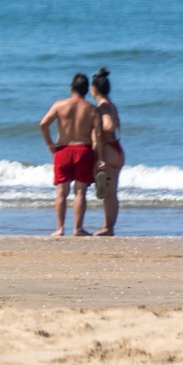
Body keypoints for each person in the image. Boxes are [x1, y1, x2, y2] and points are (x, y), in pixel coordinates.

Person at [38, 72, 99, 237]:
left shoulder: (59, 105)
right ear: (86, 90)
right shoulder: (92, 109)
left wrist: (50, 145)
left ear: (71, 88)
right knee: (80, 192)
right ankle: (78, 229)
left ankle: (59, 229)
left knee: (61, 192)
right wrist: (98, 158)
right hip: (83, 150)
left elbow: (43, 124)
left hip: (63, 150)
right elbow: (98, 137)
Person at [91, 67, 124, 237]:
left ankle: (108, 228)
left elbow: (109, 126)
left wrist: (96, 130)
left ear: (93, 89)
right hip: (117, 148)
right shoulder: (111, 105)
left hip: (109, 150)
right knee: (112, 192)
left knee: (108, 193)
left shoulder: (102, 106)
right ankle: (108, 227)